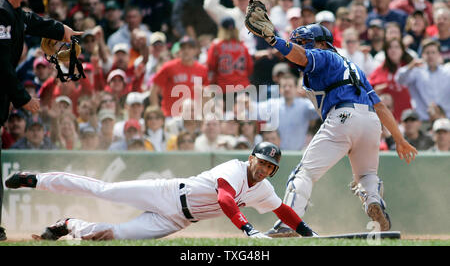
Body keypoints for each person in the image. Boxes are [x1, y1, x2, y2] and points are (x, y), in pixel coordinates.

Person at [244, 8, 417, 235]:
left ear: (323, 43)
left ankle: (288, 224)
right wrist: (399, 138)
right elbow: (381, 106)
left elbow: (302, 55)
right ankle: (374, 201)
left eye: (306, 41)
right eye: (300, 42)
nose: (303, 46)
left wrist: (272, 39)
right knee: (366, 176)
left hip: (343, 117)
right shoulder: (354, 68)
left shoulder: (324, 55)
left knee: (303, 174)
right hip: (371, 122)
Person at [5, 142, 317, 240]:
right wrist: (248, 230)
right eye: (261, 162)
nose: (264, 169)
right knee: (103, 189)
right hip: (167, 193)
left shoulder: (262, 188)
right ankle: (35, 179)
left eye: (270, 167)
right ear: (251, 158)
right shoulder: (235, 169)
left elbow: (282, 211)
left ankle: (69, 225)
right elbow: (224, 198)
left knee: (115, 236)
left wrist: (306, 233)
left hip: (176, 221)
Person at [0, 0, 82, 241]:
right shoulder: (0, 12)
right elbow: (0, 63)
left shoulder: (10, 13)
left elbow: (32, 21)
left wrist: (63, 30)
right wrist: (23, 99)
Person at [395, 39, 450, 121]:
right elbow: (399, 80)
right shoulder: (417, 72)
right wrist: (410, 66)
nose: (430, 56)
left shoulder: (447, 72)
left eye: (433, 52)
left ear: (439, 55)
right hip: (423, 120)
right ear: (423, 55)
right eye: (427, 53)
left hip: (445, 119)